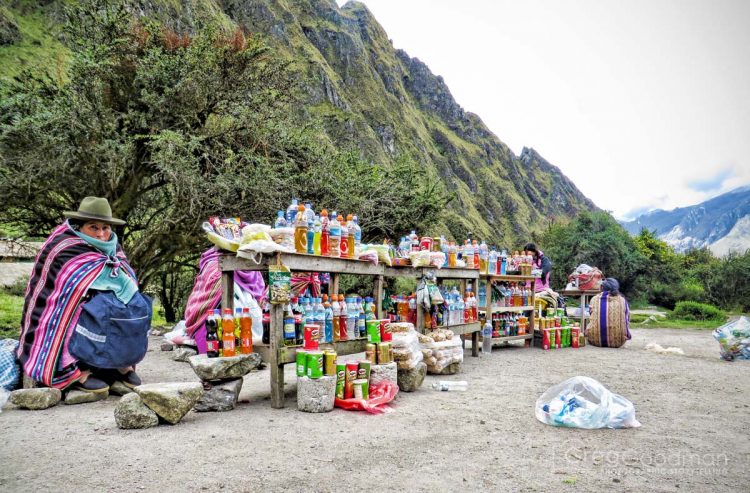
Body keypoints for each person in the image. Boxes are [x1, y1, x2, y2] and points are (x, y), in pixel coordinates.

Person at [16, 197, 149, 394]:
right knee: (78, 310)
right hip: (66, 307)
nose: (102, 234)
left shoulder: (113, 246)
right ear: (79, 227)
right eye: (93, 227)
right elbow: (61, 288)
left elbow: (125, 276)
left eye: (105, 227)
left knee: (132, 307)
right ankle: (72, 370)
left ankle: (118, 364)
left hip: (102, 302)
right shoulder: (64, 246)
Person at [586, 278, 631, 348]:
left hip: (594, 340)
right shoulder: (622, 300)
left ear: (602, 287)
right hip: (619, 342)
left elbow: (591, 315)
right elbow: (627, 320)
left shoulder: (594, 299)